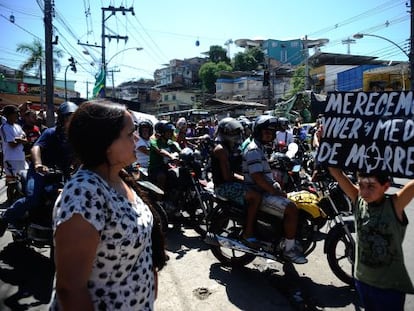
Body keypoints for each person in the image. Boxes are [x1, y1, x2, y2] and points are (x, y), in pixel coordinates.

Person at [50, 100, 167, 310]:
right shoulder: (84, 194)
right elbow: (70, 289)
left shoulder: (118, 177)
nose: (138, 139)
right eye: (130, 134)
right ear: (105, 144)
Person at [328, 167, 414, 311]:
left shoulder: (394, 205)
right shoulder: (358, 198)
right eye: (361, 185)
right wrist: (324, 146)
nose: (364, 191)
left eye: (371, 186)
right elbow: (337, 173)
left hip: (389, 287)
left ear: (386, 186)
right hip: (362, 281)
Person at [0, 102, 77, 235]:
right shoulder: (50, 132)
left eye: (74, 118)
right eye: (69, 117)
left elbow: (81, 156)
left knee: (77, 198)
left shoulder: (75, 138)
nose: (71, 121)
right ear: (62, 118)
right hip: (40, 172)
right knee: (33, 198)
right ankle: (5, 219)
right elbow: (36, 147)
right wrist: (38, 164)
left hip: (62, 174)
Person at [242, 115, 307, 264]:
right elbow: (258, 178)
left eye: (271, 133)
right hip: (259, 191)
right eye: (266, 132)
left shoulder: (261, 148)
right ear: (258, 132)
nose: (269, 135)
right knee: (291, 208)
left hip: (264, 190)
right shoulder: (253, 149)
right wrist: (275, 191)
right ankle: (289, 250)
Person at [211, 117, 261, 244]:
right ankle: (248, 232)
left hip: (233, 182)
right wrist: (246, 179)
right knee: (255, 197)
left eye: (236, 132)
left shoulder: (234, 147)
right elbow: (227, 176)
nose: (235, 135)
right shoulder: (221, 149)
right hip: (223, 186)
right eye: (231, 132)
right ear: (224, 133)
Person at [0, 105, 28, 204]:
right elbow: (11, 144)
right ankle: (10, 201)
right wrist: (20, 139)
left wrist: (18, 139)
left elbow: (25, 139)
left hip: (21, 157)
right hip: (10, 158)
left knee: (23, 180)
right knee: (12, 182)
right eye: (15, 113)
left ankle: (18, 200)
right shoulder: (4, 127)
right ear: (9, 115)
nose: (17, 115)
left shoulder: (18, 126)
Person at [148, 120, 181, 190]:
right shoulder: (154, 141)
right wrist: (171, 156)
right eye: (169, 131)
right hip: (156, 168)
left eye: (172, 131)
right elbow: (160, 150)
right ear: (162, 132)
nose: (171, 133)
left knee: (177, 174)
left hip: (166, 166)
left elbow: (178, 150)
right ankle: (159, 200)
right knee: (162, 176)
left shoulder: (169, 142)